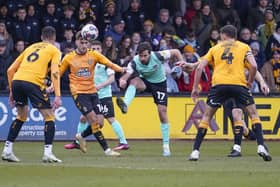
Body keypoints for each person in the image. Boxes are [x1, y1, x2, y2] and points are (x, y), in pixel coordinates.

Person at [186, 25, 272, 162]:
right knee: (253, 114)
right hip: (238, 85)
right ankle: (261, 146)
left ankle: (195, 151)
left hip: (219, 85)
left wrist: (195, 87)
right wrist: (250, 82)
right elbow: (254, 66)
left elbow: (201, 66)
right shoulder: (244, 47)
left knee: (207, 116)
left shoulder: (215, 48)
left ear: (224, 35)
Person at [116, 42, 197, 156]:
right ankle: (125, 104)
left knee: (162, 112)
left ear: (150, 54)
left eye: (145, 55)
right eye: (140, 56)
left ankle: (166, 146)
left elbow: (176, 52)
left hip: (159, 84)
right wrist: (123, 80)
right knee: (134, 81)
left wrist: (181, 62)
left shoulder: (158, 55)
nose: (142, 58)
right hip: (145, 82)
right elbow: (127, 74)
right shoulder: (135, 61)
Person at [59, 31, 126, 156]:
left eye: (86, 43)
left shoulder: (94, 55)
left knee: (100, 122)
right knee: (93, 120)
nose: (84, 45)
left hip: (93, 93)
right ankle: (107, 150)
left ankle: (80, 136)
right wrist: (52, 86)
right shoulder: (69, 57)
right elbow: (58, 73)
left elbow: (109, 63)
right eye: (81, 42)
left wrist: (121, 69)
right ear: (76, 42)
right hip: (79, 93)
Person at [1, 26, 62, 163]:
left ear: (41, 37)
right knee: (49, 116)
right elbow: (55, 72)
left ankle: (7, 150)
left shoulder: (30, 47)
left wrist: (12, 91)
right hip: (33, 82)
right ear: (54, 38)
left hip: (17, 81)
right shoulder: (54, 50)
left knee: (21, 116)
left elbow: (10, 70)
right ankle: (48, 153)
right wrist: (58, 95)